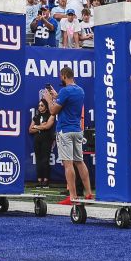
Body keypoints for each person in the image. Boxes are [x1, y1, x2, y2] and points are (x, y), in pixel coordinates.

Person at [44, 66, 92, 205]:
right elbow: (68, 101)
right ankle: (88, 193)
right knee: (80, 161)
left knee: (68, 164)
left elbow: (53, 111)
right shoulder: (80, 90)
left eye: (61, 77)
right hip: (77, 130)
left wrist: (49, 99)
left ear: (64, 76)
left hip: (65, 131)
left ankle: (72, 196)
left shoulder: (65, 91)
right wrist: (57, 96)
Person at [29, 97, 56, 188]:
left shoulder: (50, 115)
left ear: (46, 106)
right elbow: (30, 130)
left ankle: (46, 180)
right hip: (37, 140)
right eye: (39, 105)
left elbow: (47, 126)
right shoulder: (36, 117)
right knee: (39, 160)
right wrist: (40, 126)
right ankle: (39, 180)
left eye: (42, 105)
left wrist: (36, 127)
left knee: (45, 160)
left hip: (47, 140)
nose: (40, 107)